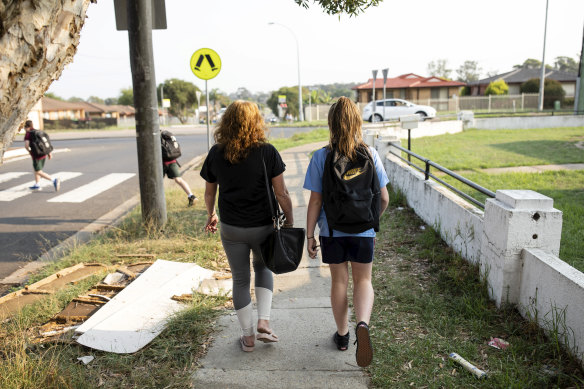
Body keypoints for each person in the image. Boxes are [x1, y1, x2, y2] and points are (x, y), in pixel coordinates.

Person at [200, 100, 294, 352]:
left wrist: (211, 214)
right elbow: (282, 193)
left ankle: (248, 338)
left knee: (240, 279)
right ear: (256, 122)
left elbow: (209, 193)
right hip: (263, 226)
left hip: (232, 228)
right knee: (263, 268)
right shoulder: (268, 152)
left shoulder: (216, 153)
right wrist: (290, 221)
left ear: (226, 122)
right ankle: (264, 320)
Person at [303, 97, 389, 367]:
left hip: (333, 231)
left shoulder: (321, 156)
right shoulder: (370, 154)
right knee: (363, 281)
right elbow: (384, 197)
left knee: (339, 282)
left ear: (331, 123)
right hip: (363, 231)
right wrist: (371, 221)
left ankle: (342, 336)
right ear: (357, 122)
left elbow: (315, 201)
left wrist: (310, 236)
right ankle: (362, 324)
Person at [23, 120, 60, 191]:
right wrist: (49, 153)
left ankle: (54, 180)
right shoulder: (38, 131)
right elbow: (45, 143)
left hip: (36, 155)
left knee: (37, 171)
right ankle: (37, 184)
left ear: (26, 127)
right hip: (43, 154)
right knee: (37, 169)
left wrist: (29, 151)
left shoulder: (28, 134)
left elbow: (26, 145)